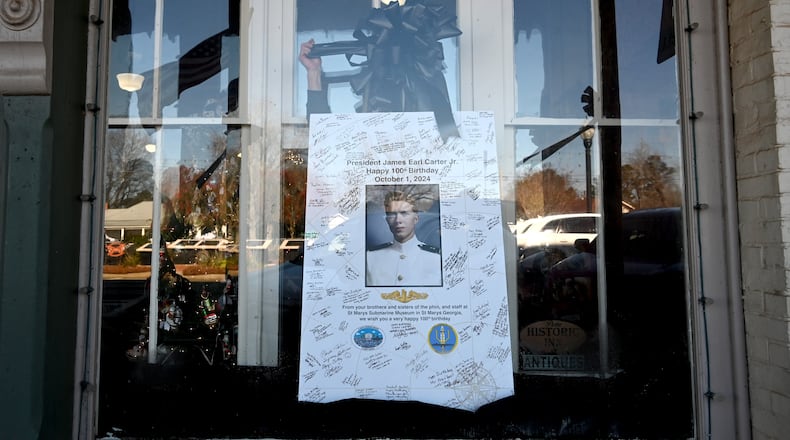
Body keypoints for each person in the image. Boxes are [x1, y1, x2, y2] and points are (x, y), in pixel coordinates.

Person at [366, 191, 442, 286]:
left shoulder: (436, 258)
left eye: (404, 213)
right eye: (392, 214)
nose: (398, 220)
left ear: (416, 219)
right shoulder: (370, 258)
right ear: (387, 220)